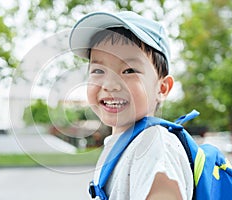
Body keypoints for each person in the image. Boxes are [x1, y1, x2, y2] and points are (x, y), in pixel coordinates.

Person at [69, 11, 193, 200]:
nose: (110, 84)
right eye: (98, 70)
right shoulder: (126, 145)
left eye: (129, 70)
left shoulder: (153, 147)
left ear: (162, 88)